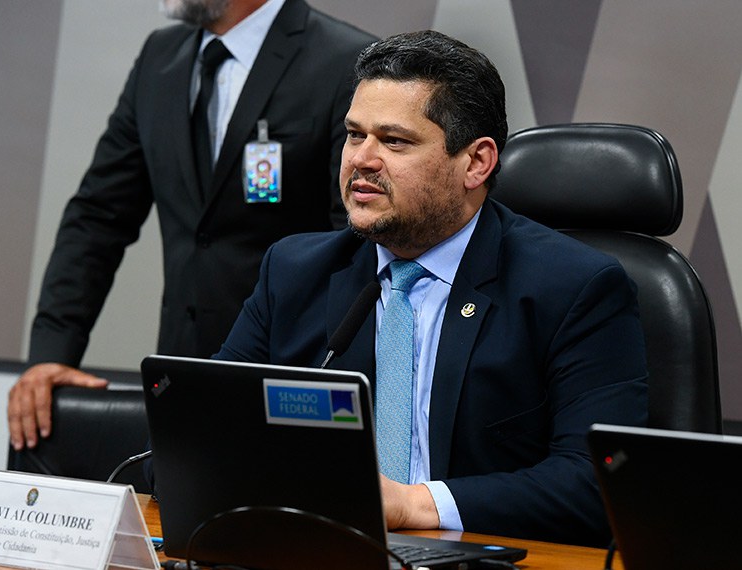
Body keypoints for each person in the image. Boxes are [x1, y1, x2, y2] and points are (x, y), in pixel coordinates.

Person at [214, 30, 648, 546]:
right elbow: (193, 439)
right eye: (354, 135)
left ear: (476, 163)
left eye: (394, 141)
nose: (361, 160)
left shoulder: (573, 289)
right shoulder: (293, 273)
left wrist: (414, 505)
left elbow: (595, 484)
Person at [7, 0, 375, 451]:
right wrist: (50, 355)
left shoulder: (345, 61)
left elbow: (356, 244)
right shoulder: (160, 57)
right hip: (180, 379)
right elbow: (98, 217)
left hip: (292, 386)